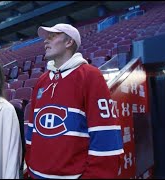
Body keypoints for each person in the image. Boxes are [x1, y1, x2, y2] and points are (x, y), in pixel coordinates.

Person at [25, 23, 124, 179]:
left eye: (52, 36)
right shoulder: (41, 81)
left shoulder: (90, 75)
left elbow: (106, 134)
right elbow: (32, 130)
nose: (45, 41)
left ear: (69, 42)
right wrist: (30, 167)